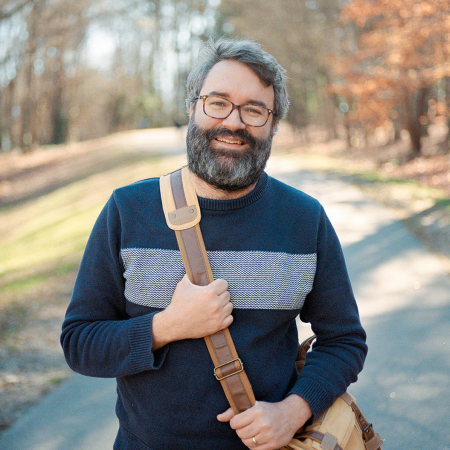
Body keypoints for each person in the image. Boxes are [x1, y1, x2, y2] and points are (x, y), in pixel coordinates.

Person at [61, 38, 367, 450]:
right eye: (217, 102)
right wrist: (168, 325)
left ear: (273, 124)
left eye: (254, 109)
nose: (234, 122)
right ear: (192, 108)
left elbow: (344, 340)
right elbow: (80, 343)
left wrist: (293, 411)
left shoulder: (304, 219)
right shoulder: (128, 210)